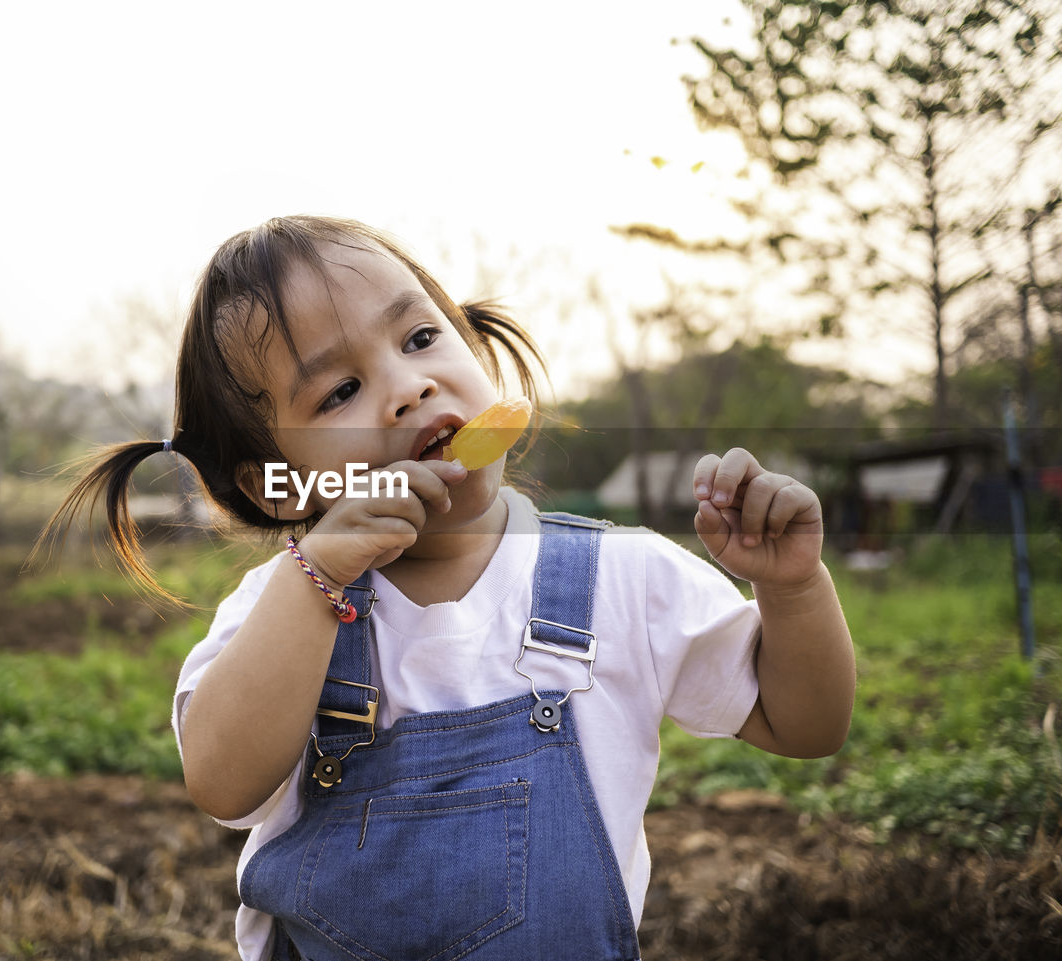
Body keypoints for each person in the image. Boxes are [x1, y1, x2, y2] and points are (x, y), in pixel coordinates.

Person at [47, 216, 855, 961]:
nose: (406, 387)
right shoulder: (281, 608)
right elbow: (223, 782)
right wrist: (319, 576)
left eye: (423, 336)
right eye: (339, 392)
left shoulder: (625, 578)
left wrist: (791, 592)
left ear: (479, 352)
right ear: (284, 485)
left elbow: (804, 720)